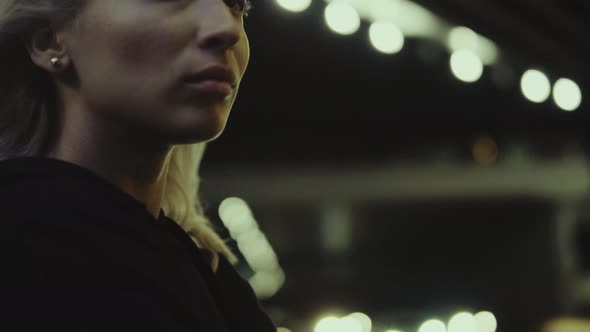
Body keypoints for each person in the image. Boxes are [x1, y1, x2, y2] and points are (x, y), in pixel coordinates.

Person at [0, 1, 276, 331]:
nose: (228, 28)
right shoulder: (25, 256)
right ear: (48, 41)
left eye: (237, 4)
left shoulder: (205, 276)